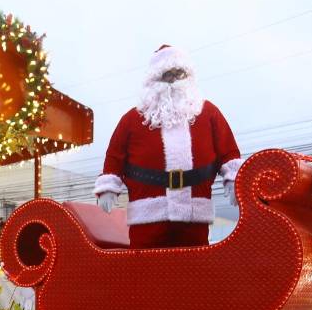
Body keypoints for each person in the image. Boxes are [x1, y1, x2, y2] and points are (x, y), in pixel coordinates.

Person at [94, 45, 243, 247]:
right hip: (147, 217)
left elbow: (228, 151)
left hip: (194, 214)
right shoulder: (132, 119)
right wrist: (108, 187)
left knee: (194, 269)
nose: (173, 80)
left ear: (188, 77)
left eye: (179, 74)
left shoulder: (208, 113)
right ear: (154, 80)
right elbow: (114, 156)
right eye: (167, 75)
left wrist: (234, 180)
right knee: (146, 270)